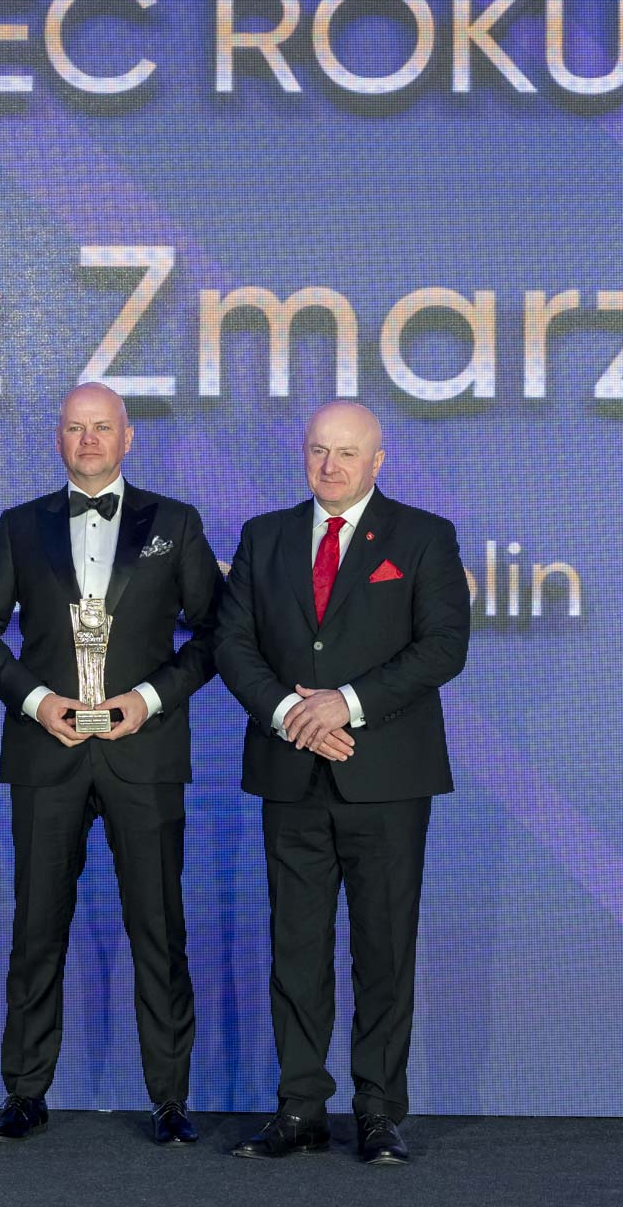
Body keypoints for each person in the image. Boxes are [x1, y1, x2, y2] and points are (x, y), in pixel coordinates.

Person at [0, 382, 222, 1146]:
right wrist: (37, 702)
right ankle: (24, 1093)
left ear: (128, 437)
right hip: (48, 753)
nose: (89, 440)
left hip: (145, 752)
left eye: (102, 427)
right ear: (58, 438)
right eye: (76, 428)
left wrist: (150, 698)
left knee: (158, 931)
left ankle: (170, 1101)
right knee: (36, 929)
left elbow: (217, 632)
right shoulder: (20, 525)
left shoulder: (175, 522)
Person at [215, 401, 469, 1167]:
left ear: (378, 461)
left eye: (347, 452)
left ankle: (379, 1111)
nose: (330, 466)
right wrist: (294, 714)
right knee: (295, 950)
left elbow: (443, 646)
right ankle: (300, 1107)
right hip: (291, 772)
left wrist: (346, 704)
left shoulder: (424, 536)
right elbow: (232, 642)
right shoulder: (264, 536)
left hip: (386, 778)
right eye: (318, 450)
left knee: (383, 951)